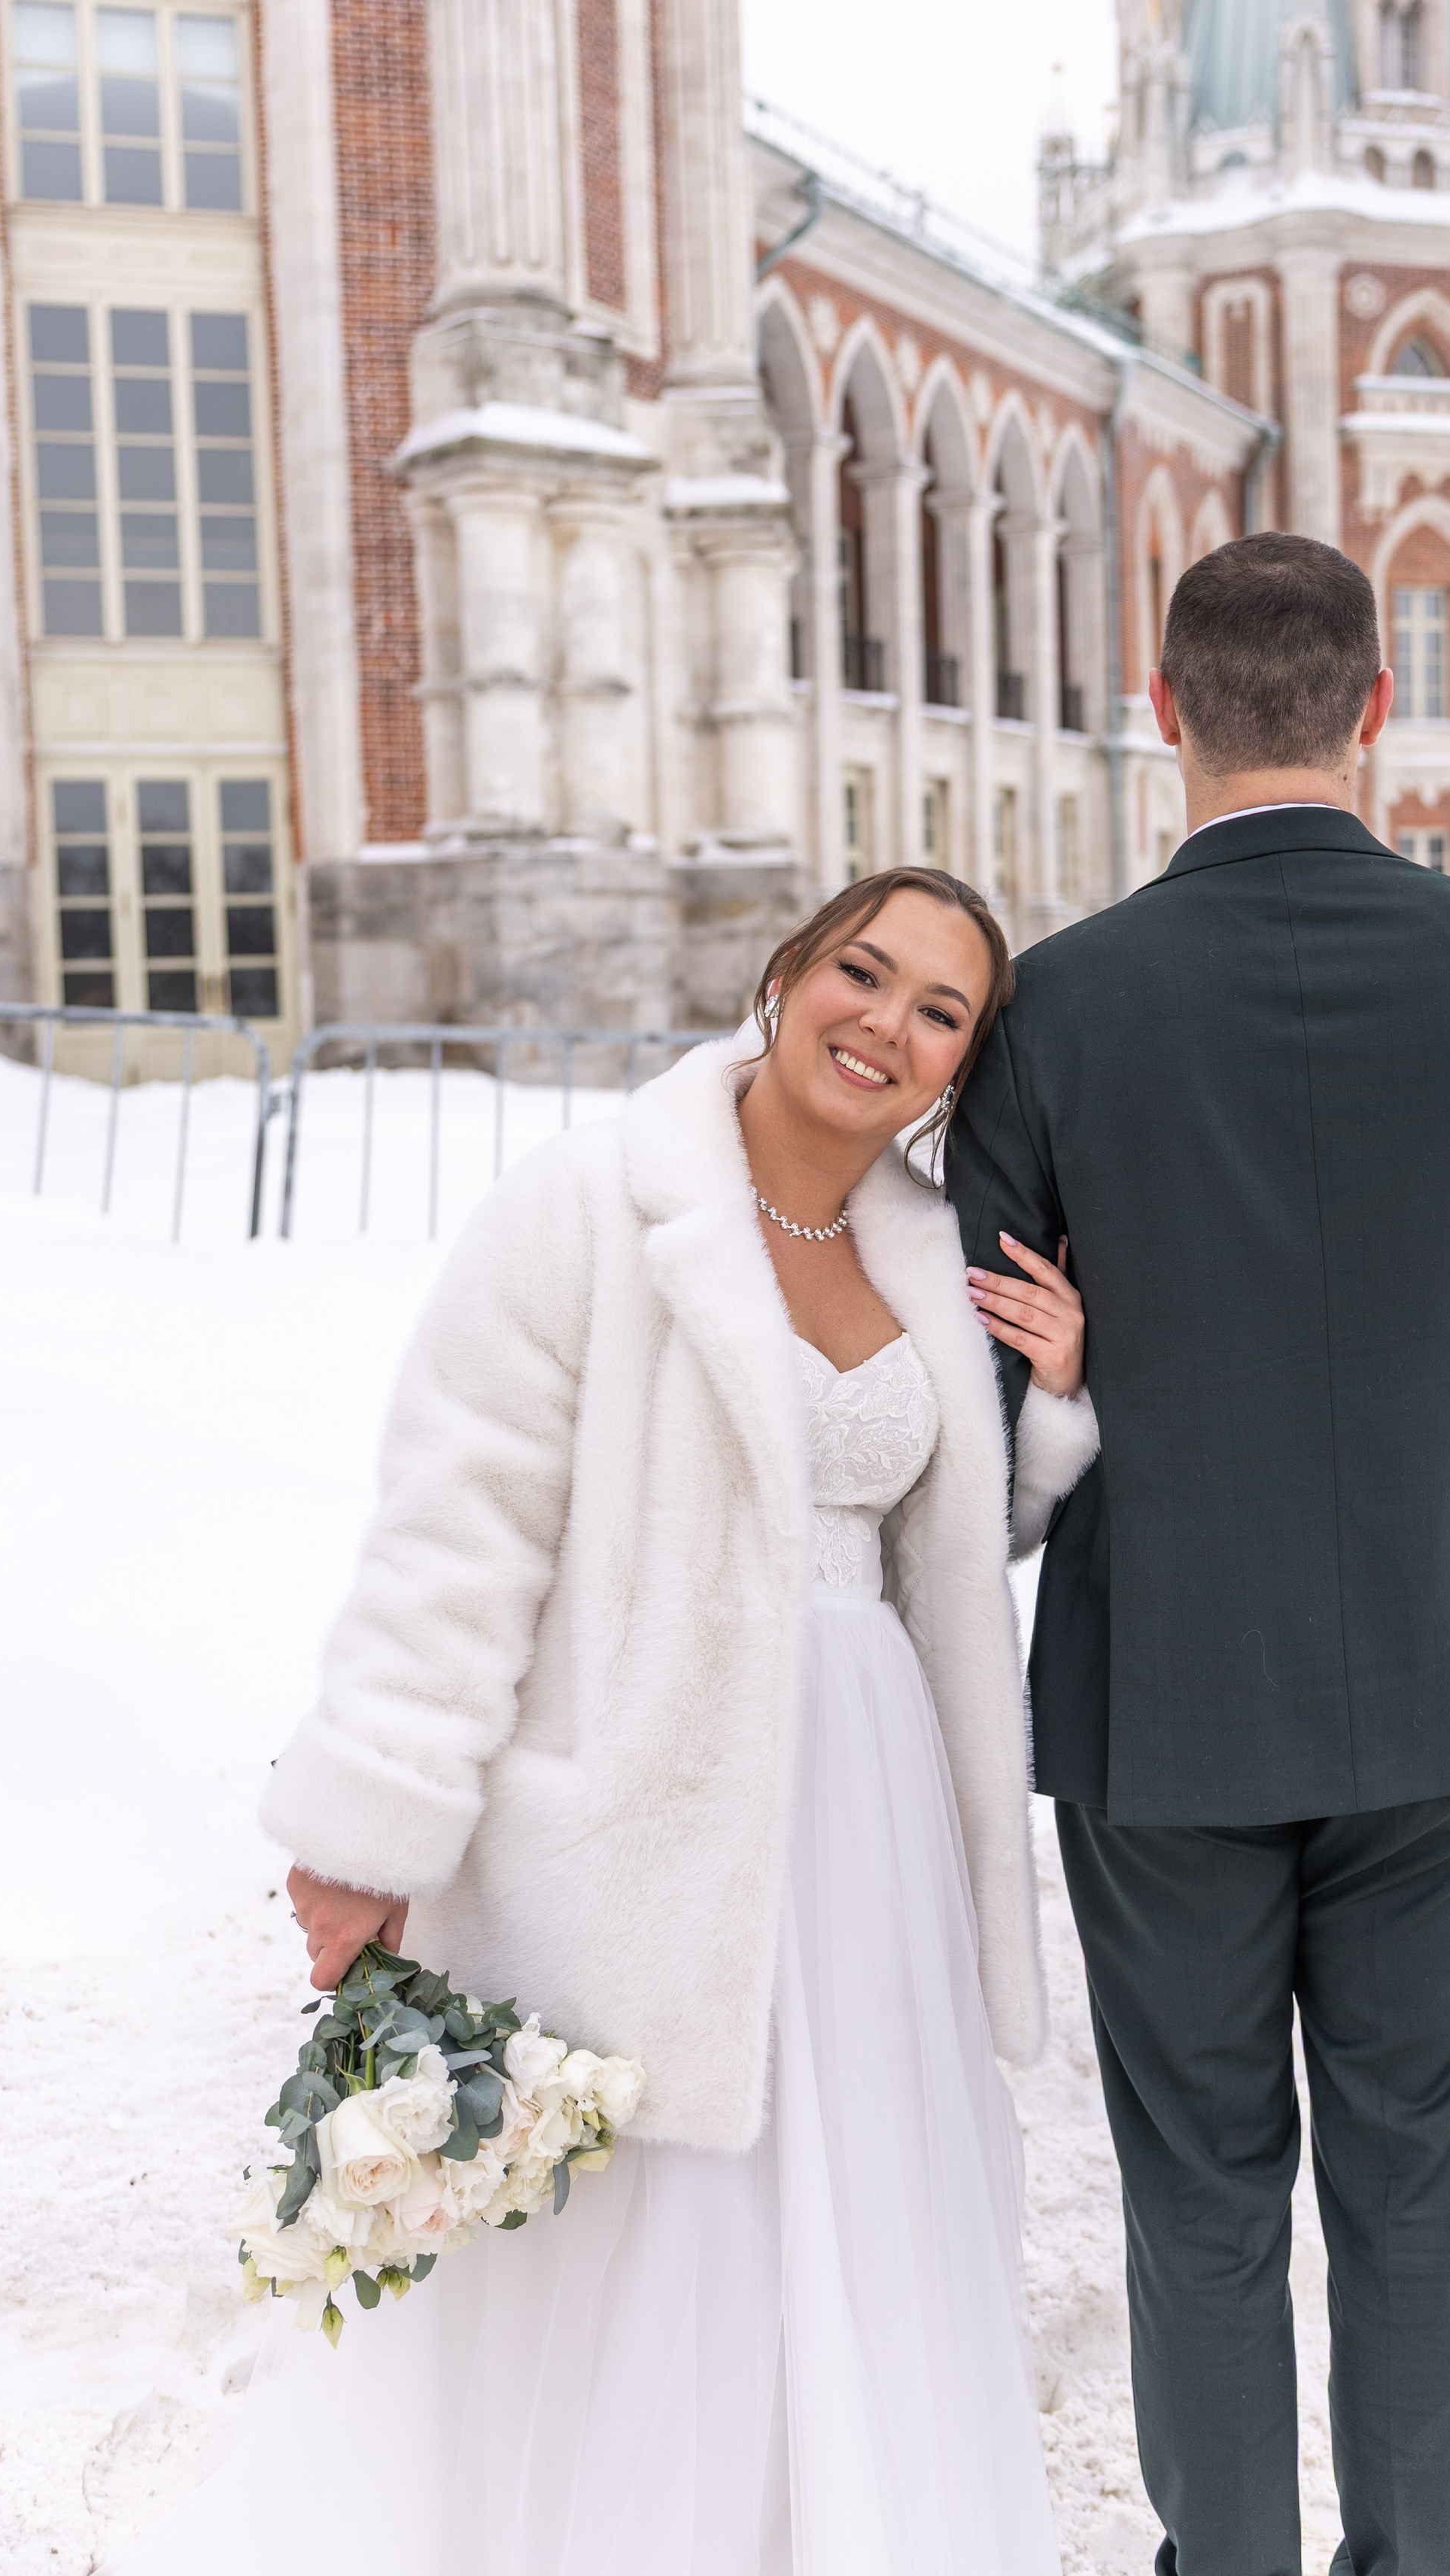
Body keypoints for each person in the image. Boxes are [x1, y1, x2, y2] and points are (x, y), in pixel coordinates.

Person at [131, 870, 1098, 2576]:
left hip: (867, 1820)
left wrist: (1059, 1401)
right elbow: (460, 1532)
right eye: (862, 973)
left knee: (854, 2215)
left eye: (938, 1010)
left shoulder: (925, 1247)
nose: (885, 1023)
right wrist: (369, 1831)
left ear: (962, 1061)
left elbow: (943, 1545)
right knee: (656, 2237)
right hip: (645, 1807)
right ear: (787, 973)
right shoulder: (588, 1203)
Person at [951, 533, 1450, 2576]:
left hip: (1162, 1689)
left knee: (1200, 2189)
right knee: (1417, 2183)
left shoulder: (1060, 1006)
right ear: (1373, 710)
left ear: (1163, 710)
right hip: (1447, 1668)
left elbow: (980, 1379)